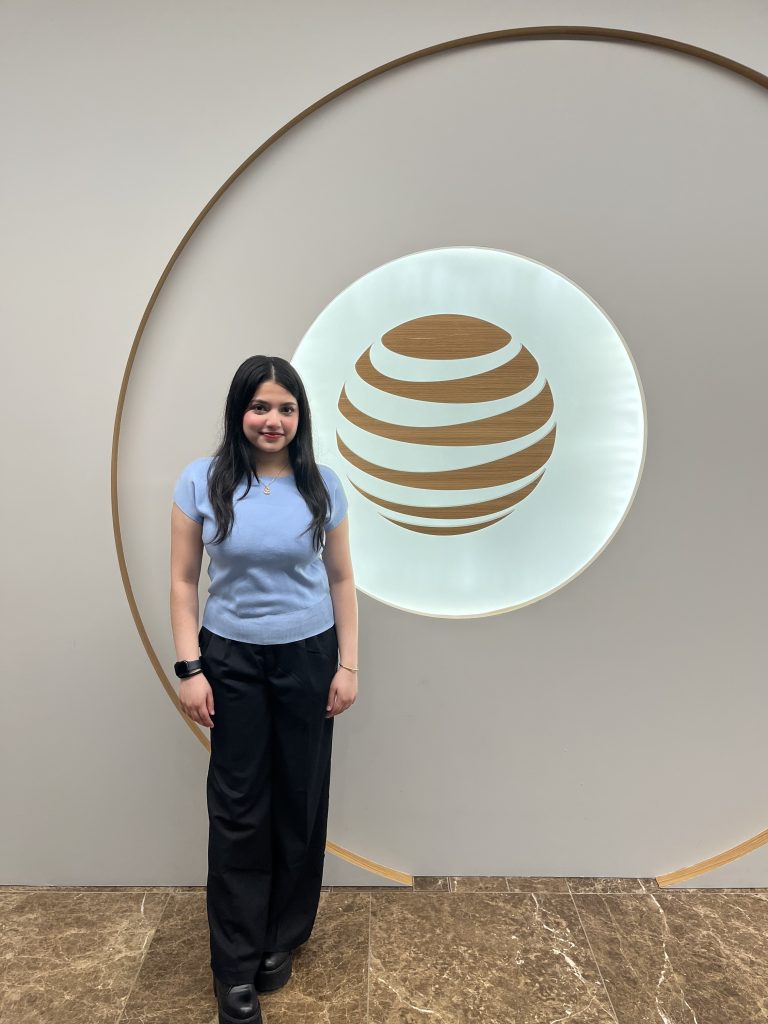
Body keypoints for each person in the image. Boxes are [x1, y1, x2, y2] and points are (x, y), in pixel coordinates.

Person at [170, 355, 358, 1024]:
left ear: (300, 417)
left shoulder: (324, 485)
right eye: (259, 406)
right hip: (232, 659)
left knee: (299, 800)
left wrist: (348, 664)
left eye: (285, 408)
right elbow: (184, 581)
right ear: (239, 412)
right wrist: (190, 668)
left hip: (310, 655)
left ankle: (283, 937)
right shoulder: (203, 481)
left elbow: (340, 580)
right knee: (239, 808)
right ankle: (236, 966)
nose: (272, 419)